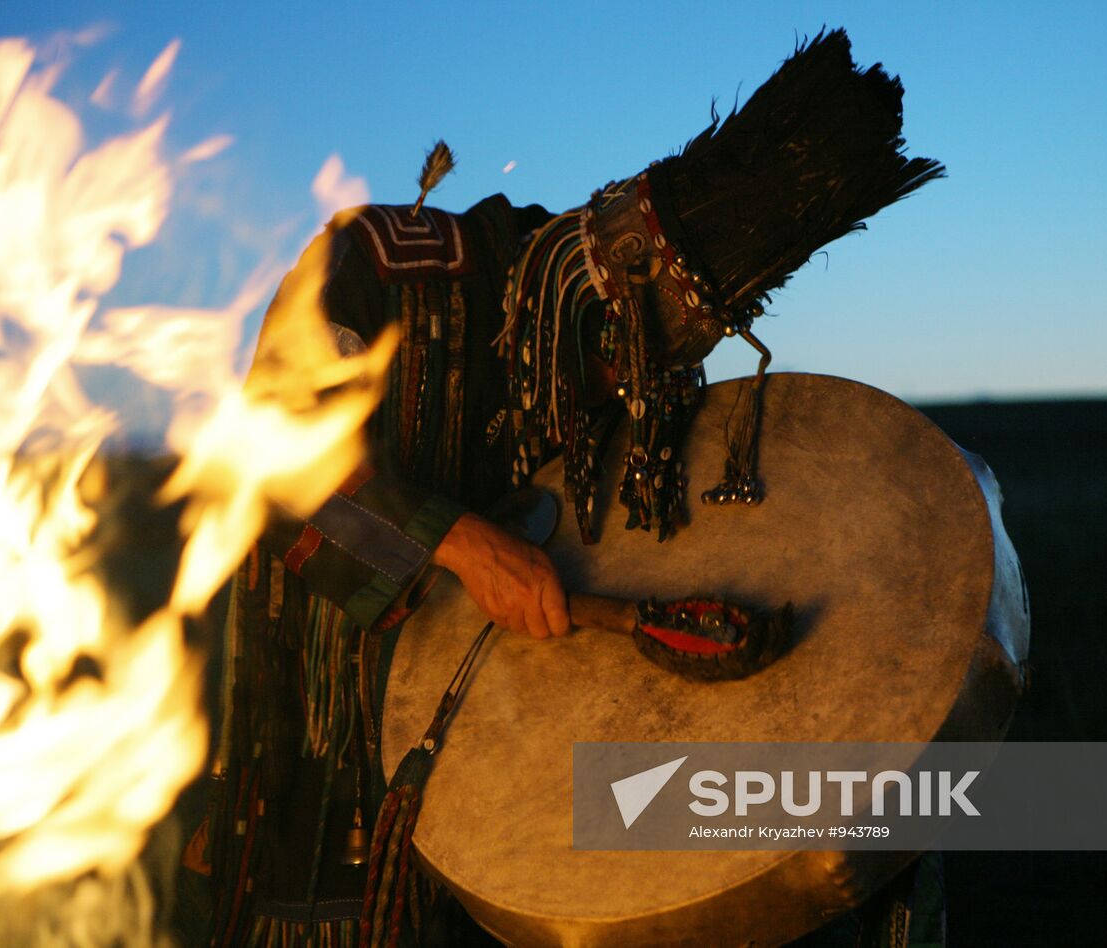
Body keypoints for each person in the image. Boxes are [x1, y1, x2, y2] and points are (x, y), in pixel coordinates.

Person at [186, 28, 945, 948]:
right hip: (335, 761)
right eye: (612, 352)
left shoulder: (646, 388)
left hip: (514, 772)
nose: (621, 386)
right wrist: (467, 546)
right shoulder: (378, 262)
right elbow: (271, 456)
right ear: (591, 283)